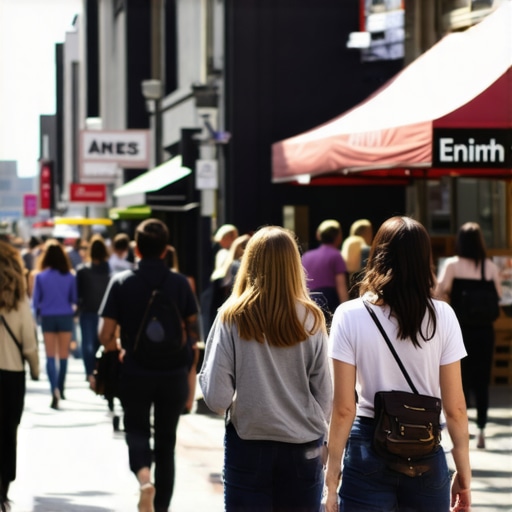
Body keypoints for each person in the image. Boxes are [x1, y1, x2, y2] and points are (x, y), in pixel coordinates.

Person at [324, 216, 471, 512]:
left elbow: (342, 408)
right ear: (423, 260)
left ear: (377, 255)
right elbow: (455, 408)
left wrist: (330, 478)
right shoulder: (443, 316)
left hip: (368, 445)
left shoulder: (348, 315)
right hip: (426, 449)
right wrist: (464, 477)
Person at [199, 225, 333, 512]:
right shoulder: (312, 318)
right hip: (303, 445)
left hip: (249, 443)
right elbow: (326, 395)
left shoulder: (231, 317)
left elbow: (217, 399)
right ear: (294, 266)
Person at [98, 219, 200, 512]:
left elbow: (105, 334)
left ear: (137, 248)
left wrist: (117, 347)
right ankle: (163, 508)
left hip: (135, 370)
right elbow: (194, 333)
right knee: (167, 443)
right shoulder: (181, 283)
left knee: (137, 431)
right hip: (173, 374)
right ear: (166, 249)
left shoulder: (121, 283)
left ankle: (144, 479)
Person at [435, 221, 502, 450]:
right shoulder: (489, 266)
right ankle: (482, 428)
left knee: (457, 380)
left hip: (459, 329)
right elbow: (500, 295)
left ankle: (460, 432)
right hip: (485, 330)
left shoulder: (453, 265)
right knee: (482, 379)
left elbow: (439, 292)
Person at [0, 241, 39, 512]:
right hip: (11, 376)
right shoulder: (19, 301)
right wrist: (35, 368)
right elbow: (29, 341)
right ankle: (3, 489)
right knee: (7, 432)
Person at [32, 239, 77, 409]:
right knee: (63, 355)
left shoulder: (40, 276)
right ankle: (62, 387)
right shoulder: (71, 276)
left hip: (48, 316)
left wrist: (36, 319)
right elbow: (74, 299)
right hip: (65, 315)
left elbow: (36, 302)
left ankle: (53, 389)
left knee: (50, 356)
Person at [76, 235, 111, 388]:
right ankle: (97, 371)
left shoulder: (82, 270)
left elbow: (78, 294)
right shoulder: (108, 269)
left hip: (89, 311)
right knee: (99, 344)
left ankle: (90, 372)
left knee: (88, 344)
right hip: (104, 313)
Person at [301, 219, 348, 316]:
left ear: (319, 235)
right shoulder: (336, 256)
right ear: (338, 237)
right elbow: (341, 286)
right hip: (329, 303)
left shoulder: (306, 256)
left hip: (308, 302)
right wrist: (346, 310)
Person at [341, 219, 373, 298]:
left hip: (347, 283)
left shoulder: (347, 241)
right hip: (360, 284)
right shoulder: (361, 244)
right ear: (366, 232)